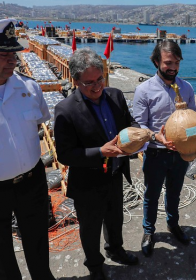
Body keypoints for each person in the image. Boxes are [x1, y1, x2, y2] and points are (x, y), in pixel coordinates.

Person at [0, 19, 55, 280]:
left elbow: (41, 120)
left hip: (32, 183)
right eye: (2, 54)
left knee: (39, 247)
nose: (12, 60)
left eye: (13, 53)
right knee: (0, 259)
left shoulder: (29, 88)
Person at [54, 48, 139, 280]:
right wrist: (100, 151)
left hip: (115, 174)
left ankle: (115, 249)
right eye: (89, 82)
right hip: (88, 183)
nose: (96, 86)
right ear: (75, 81)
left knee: (115, 218)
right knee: (90, 228)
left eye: (100, 79)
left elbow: (129, 125)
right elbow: (65, 154)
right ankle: (94, 264)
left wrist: (146, 136)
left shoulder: (116, 95)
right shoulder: (65, 110)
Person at [133, 40, 196, 257]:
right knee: (151, 194)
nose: (173, 68)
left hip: (179, 154)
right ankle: (149, 231)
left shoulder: (187, 88)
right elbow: (139, 124)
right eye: (168, 63)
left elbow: (194, 120)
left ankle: (173, 224)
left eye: (177, 63)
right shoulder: (144, 90)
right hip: (155, 152)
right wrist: (156, 137)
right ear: (156, 61)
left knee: (175, 192)